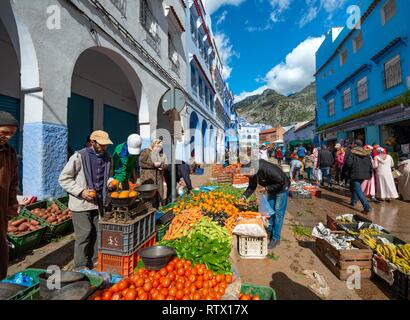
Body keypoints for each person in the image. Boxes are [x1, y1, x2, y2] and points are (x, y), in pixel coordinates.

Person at [59, 130, 114, 271]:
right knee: (84, 234)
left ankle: (95, 260)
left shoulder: (108, 158)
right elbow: (64, 179)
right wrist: (82, 192)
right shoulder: (78, 157)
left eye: (106, 145)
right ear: (93, 142)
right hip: (81, 204)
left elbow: (108, 177)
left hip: (98, 203)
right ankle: (80, 266)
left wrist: (111, 183)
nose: (104, 148)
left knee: (97, 232)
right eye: (101, 145)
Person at [241, 158, 290, 249]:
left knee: (278, 213)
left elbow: (281, 181)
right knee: (269, 211)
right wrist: (244, 196)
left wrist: (267, 188)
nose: (249, 177)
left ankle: (276, 238)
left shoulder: (266, 168)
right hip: (272, 187)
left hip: (282, 188)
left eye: (248, 175)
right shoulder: (252, 172)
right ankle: (270, 231)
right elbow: (252, 186)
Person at [0, 112, 19, 280]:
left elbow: (13, 181)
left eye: (12, 134)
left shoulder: (10, 152)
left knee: (1, 247)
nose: (8, 137)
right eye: (4, 132)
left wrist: (12, 203)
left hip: (2, 208)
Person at [344, 140, 373, 213]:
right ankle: (353, 202)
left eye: (353, 143)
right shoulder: (366, 152)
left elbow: (348, 164)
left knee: (358, 189)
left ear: (355, 144)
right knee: (356, 188)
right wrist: (369, 173)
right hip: (365, 174)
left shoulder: (351, 152)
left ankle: (367, 206)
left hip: (355, 173)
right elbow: (370, 164)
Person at [139, 139, 168, 207]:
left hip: (158, 178)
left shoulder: (161, 154)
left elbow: (166, 165)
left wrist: (162, 166)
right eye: (157, 147)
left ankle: (158, 208)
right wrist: (153, 164)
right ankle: (149, 208)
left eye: (160, 147)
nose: (158, 149)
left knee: (159, 194)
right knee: (150, 195)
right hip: (148, 177)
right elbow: (141, 163)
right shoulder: (146, 151)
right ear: (153, 145)